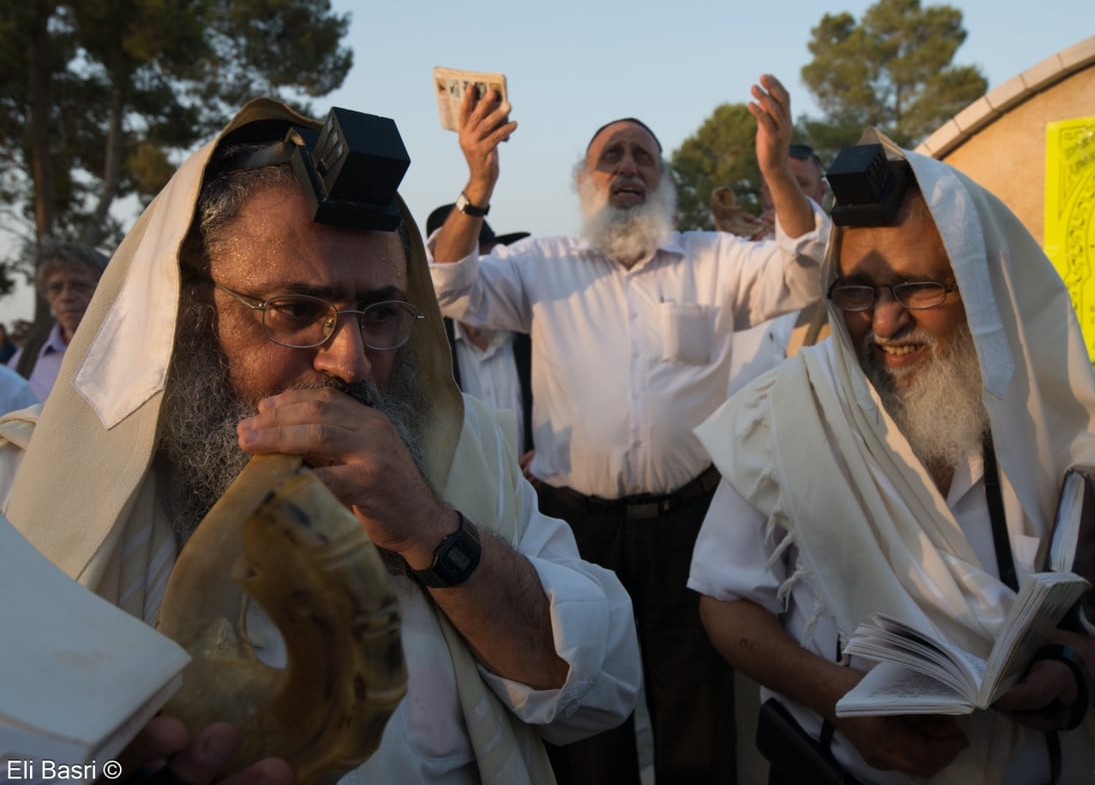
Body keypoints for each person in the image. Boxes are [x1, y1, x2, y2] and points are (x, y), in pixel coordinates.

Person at [0, 98, 640, 784]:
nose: (351, 362)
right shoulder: (30, 481)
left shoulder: (463, 449)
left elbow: (598, 689)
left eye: (381, 313)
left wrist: (432, 530)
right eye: (296, 311)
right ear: (186, 316)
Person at [688, 130, 1095, 784]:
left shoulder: (1073, 424)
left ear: (983, 290)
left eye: (918, 288)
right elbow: (726, 603)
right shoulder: (788, 412)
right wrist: (840, 700)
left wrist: (1084, 665)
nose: (882, 323)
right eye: (857, 291)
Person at [428, 74, 830, 784]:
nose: (628, 166)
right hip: (576, 528)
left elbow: (805, 273)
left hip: (693, 523)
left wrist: (775, 175)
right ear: (585, 180)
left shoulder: (713, 260)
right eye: (611, 155)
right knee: (584, 705)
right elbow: (447, 286)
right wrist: (477, 185)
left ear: (663, 178)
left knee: (696, 709)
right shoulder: (541, 266)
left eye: (643, 155)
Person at [426, 205, 535, 462]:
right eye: (472, 271)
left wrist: (548, 452)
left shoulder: (536, 337)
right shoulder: (428, 351)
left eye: (493, 268)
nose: (486, 280)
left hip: (543, 492)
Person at [724, 142, 830, 395]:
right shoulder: (736, 254)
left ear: (821, 191)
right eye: (777, 182)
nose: (786, 192)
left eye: (800, 184)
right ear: (763, 191)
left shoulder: (841, 256)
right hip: (735, 410)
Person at [8, 243, 106, 400]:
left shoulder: (131, 351)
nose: (66, 296)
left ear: (106, 288)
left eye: (79, 286)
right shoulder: (25, 360)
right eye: (56, 288)